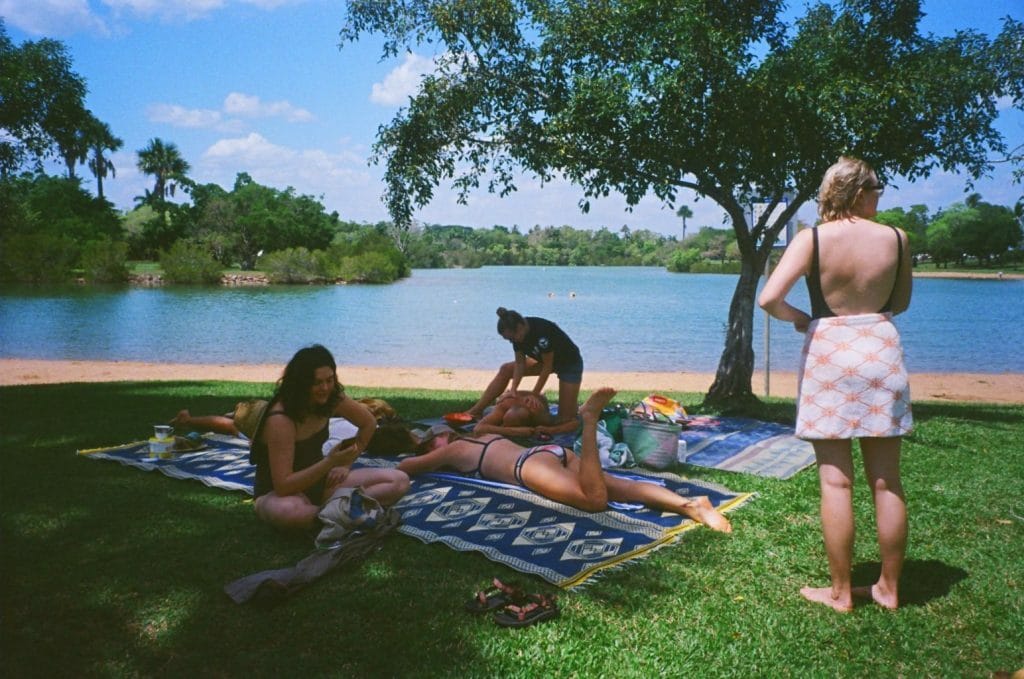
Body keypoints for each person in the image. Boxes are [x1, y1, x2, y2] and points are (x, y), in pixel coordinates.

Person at [758, 155, 913, 612]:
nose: (879, 198)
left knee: (836, 483)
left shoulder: (813, 240)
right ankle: (888, 587)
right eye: (877, 190)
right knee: (887, 482)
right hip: (880, 349)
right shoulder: (898, 240)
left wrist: (802, 318)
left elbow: (769, 298)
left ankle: (842, 592)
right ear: (859, 191)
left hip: (828, 351)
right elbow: (899, 303)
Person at [400, 387, 732, 532]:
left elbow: (404, 468)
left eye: (436, 435)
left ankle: (590, 421)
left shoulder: (460, 446)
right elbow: (410, 465)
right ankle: (691, 505)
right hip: (550, 455)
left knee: (594, 500)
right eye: (433, 438)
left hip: (529, 466)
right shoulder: (472, 440)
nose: (437, 436)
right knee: (619, 487)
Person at [250, 344, 410, 532]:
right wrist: (330, 463)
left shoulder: (331, 398)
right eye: (317, 383)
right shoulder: (281, 419)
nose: (325, 388)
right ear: (301, 383)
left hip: (322, 485)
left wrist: (345, 464)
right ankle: (341, 514)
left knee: (399, 481)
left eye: (330, 380)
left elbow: (368, 423)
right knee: (290, 510)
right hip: (280, 495)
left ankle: (332, 517)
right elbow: (283, 486)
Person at [464, 308, 584, 431]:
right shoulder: (516, 336)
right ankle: (476, 411)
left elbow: (548, 367)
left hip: (568, 362)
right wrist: (513, 390)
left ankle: (570, 407)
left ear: (520, 326)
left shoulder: (541, 332)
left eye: (513, 338)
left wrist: (534, 395)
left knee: (564, 420)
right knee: (506, 369)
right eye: (509, 339)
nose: (513, 341)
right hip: (542, 360)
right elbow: (520, 364)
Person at [470, 390, 577, 437]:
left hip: (534, 401)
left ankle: (542, 395)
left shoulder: (537, 412)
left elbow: (574, 423)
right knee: (487, 412)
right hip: (496, 407)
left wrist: (550, 430)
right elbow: (478, 429)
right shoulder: (504, 406)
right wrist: (513, 431)